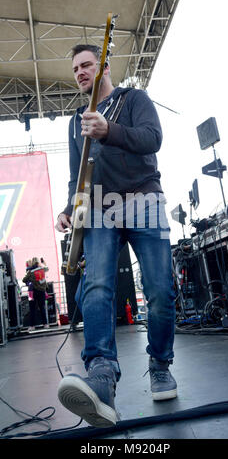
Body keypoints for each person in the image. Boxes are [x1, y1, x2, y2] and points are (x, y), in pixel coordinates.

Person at [56, 44, 177, 428]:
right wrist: (66, 209)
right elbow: (78, 176)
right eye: (75, 68)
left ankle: (159, 363)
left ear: (104, 66)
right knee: (97, 288)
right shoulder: (75, 122)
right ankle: (102, 377)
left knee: (159, 289)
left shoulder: (133, 99)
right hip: (99, 208)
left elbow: (152, 138)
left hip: (144, 198)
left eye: (87, 64)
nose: (80, 72)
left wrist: (110, 131)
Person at [23, 257, 49, 330]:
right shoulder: (42, 269)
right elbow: (47, 268)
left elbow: (24, 280)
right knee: (42, 308)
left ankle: (32, 326)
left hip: (32, 292)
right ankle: (45, 324)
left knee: (32, 309)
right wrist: (44, 263)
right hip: (42, 291)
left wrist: (29, 282)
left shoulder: (30, 271)